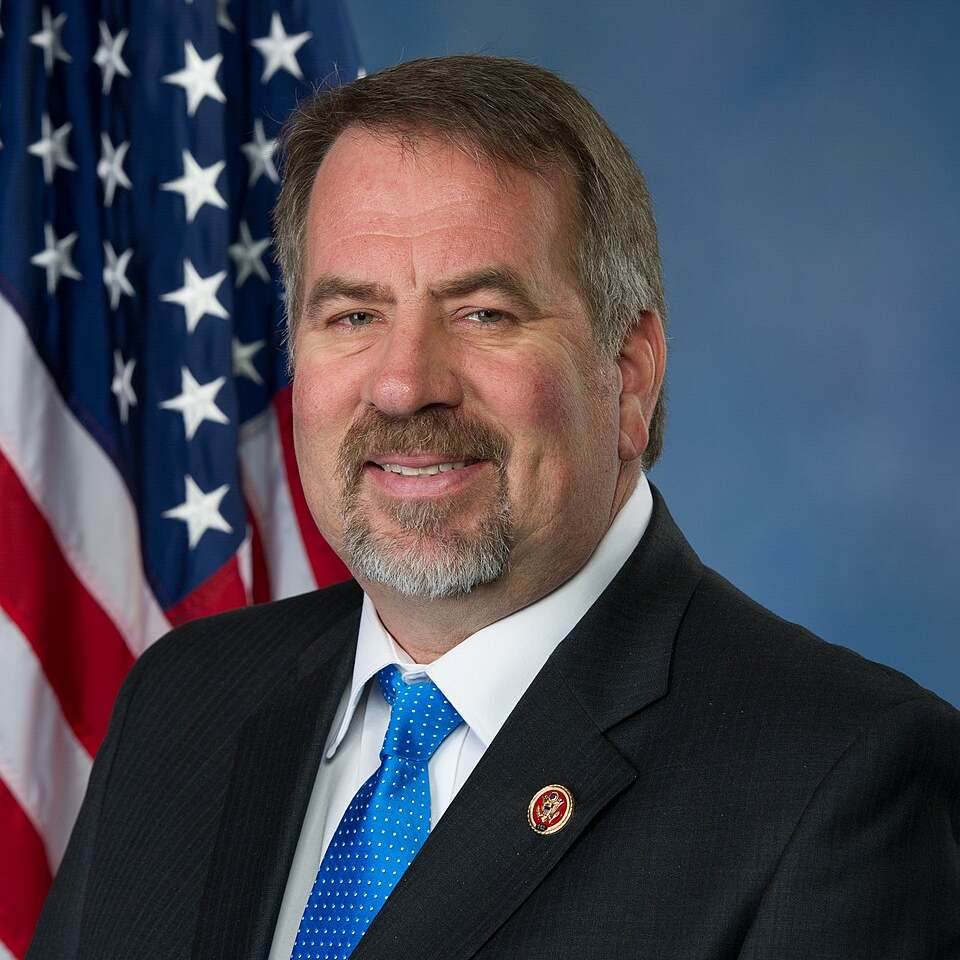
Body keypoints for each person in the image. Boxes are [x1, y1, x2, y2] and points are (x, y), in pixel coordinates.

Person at [29, 55, 959, 960]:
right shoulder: (182, 700)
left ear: (628, 375)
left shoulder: (841, 778)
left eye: (484, 315)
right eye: (352, 316)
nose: (402, 386)